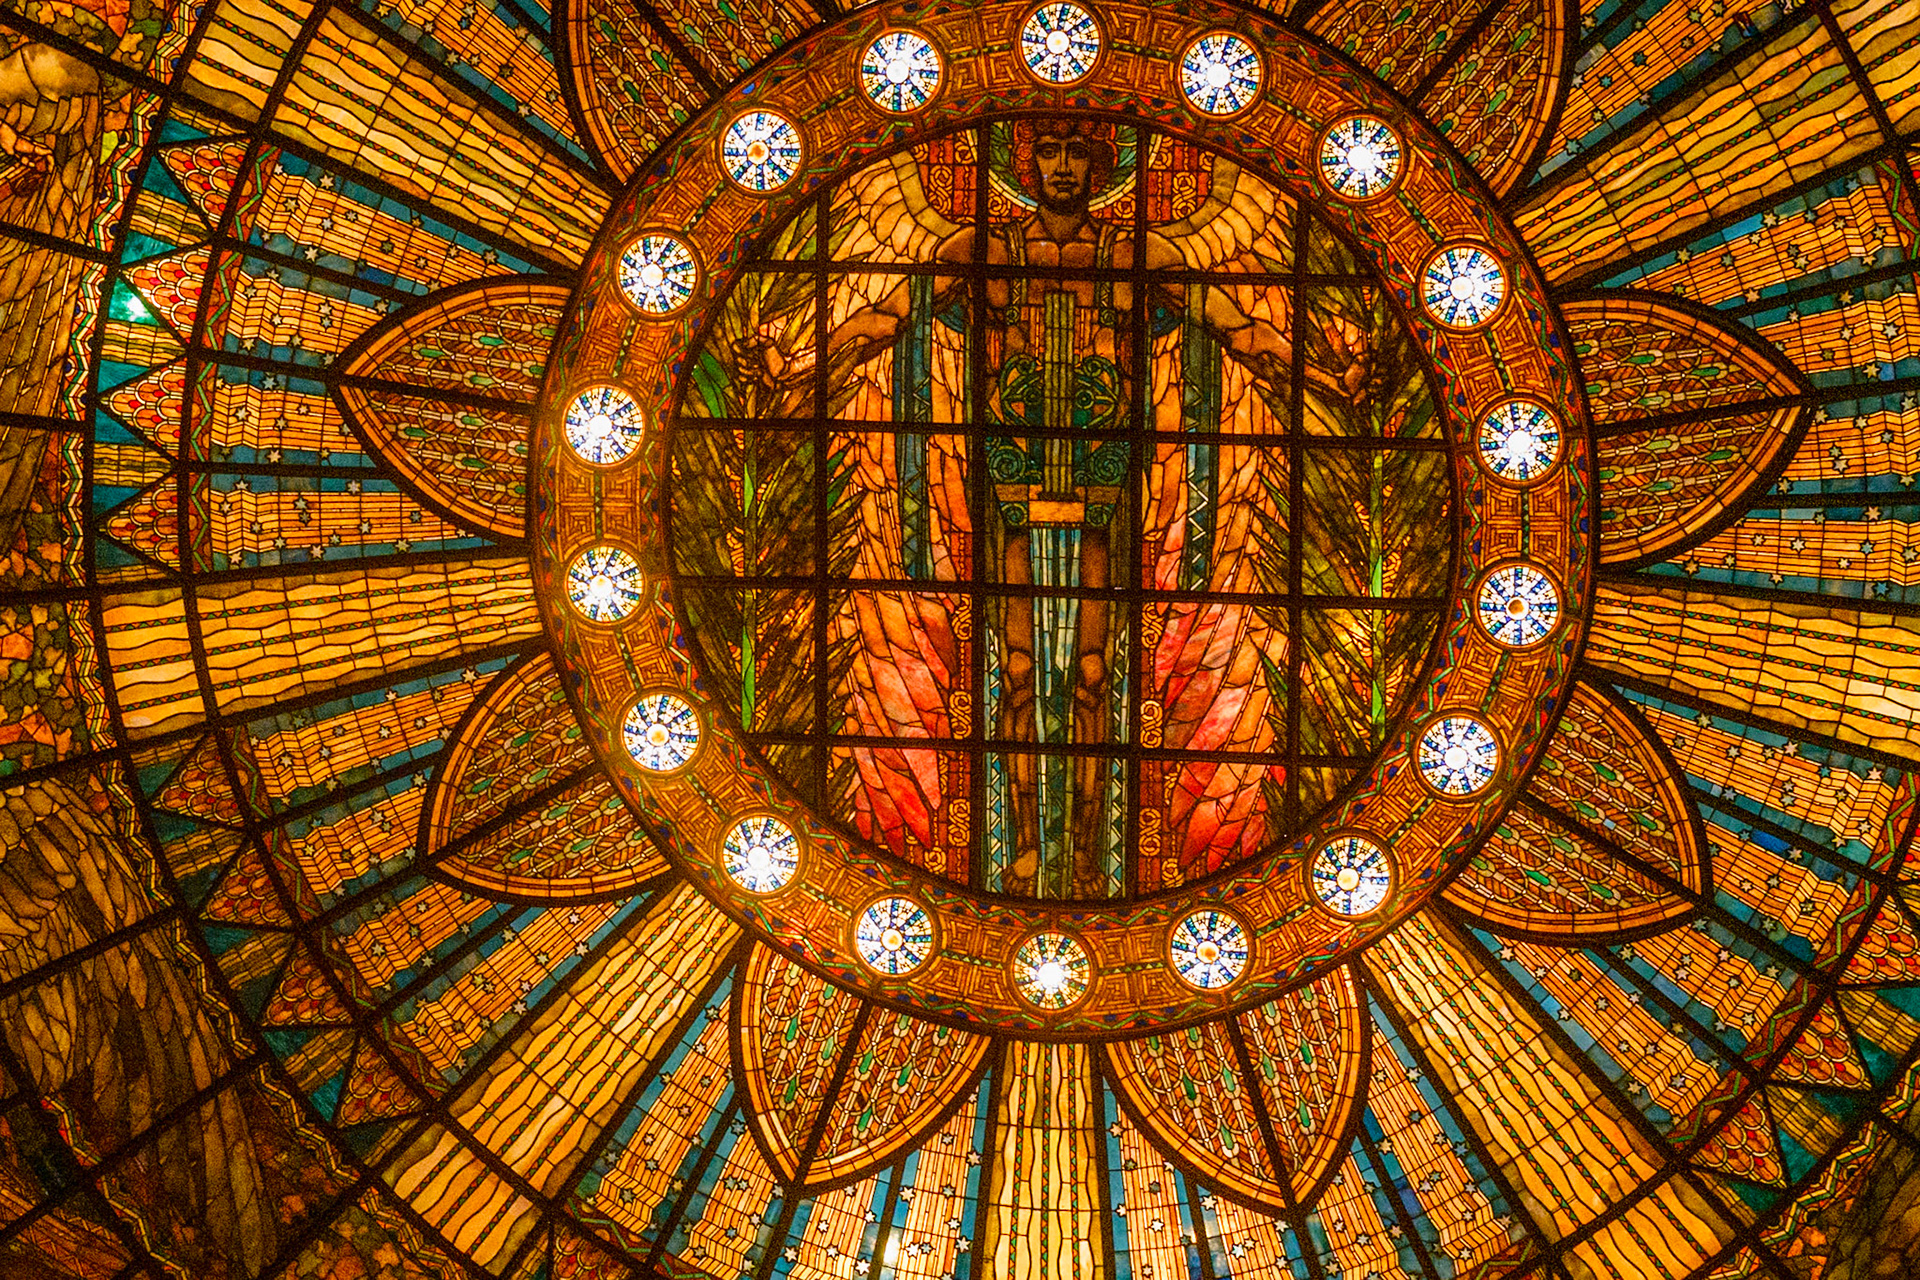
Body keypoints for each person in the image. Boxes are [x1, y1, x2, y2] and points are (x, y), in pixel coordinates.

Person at [737, 120, 1367, 895]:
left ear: (1103, 167)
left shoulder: (1138, 256)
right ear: (1023, 164)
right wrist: (801, 365)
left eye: (1078, 153)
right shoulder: (986, 253)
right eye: (1049, 152)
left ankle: (1091, 851)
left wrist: (1326, 372)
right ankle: (1027, 843)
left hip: (1106, 495)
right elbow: (883, 323)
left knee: (1095, 669)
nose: (1062, 167)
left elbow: (1238, 328)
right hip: (1011, 491)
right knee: (1022, 669)